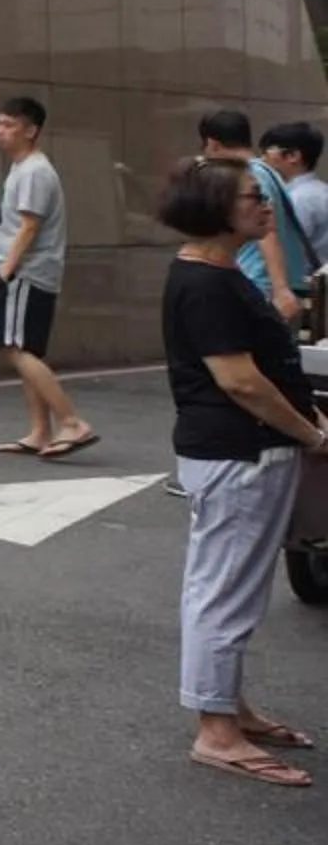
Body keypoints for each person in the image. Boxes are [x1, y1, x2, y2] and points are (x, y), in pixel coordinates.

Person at [153, 156, 328, 787]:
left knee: (235, 589)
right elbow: (239, 381)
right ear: (217, 210)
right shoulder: (205, 283)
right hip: (238, 455)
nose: (265, 206)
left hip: (244, 452)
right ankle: (216, 732)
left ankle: (229, 707)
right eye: (254, 197)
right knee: (223, 592)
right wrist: (309, 432)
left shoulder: (219, 272)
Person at [0, 96, 92, 459]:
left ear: (32, 130)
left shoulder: (33, 171)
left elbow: (30, 225)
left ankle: (72, 422)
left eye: (10, 125)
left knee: (14, 348)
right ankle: (40, 431)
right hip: (28, 272)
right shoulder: (24, 168)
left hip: (24, 273)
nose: (1, 131)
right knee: (25, 349)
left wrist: (7, 269)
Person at [202, 110, 310, 329]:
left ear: (212, 144)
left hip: (262, 284)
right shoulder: (267, 172)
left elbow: (268, 231)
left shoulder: (251, 175)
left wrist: (280, 289)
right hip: (274, 283)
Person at [261, 121, 328, 280]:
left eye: (268, 151)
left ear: (293, 156)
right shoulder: (321, 191)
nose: (263, 159)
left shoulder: (297, 199)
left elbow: (286, 250)